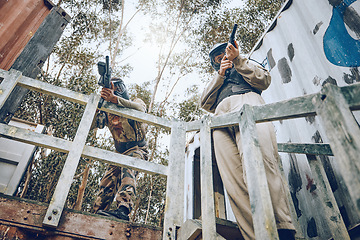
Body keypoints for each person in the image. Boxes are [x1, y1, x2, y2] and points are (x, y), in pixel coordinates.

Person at [200, 41, 296, 240]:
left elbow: (264, 80)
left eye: (224, 54)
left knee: (262, 164)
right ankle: (255, 235)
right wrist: (220, 75)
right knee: (234, 181)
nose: (222, 58)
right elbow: (205, 103)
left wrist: (238, 60)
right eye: (217, 58)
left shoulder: (246, 63)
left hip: (248, 104)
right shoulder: (217, 77)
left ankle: (282, 228)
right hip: (220, 119)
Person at [92, 77, 148, 221]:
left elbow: (141, 109)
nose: (114, 90)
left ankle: (123, 210)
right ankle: (97, 213)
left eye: (117, 87)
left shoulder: (135, 101)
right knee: (106, 183)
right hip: (119, 152)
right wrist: (99, 105)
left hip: (137, 148)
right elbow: (94, 124)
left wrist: (115, 99)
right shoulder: (108, 109)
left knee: (128, 170)